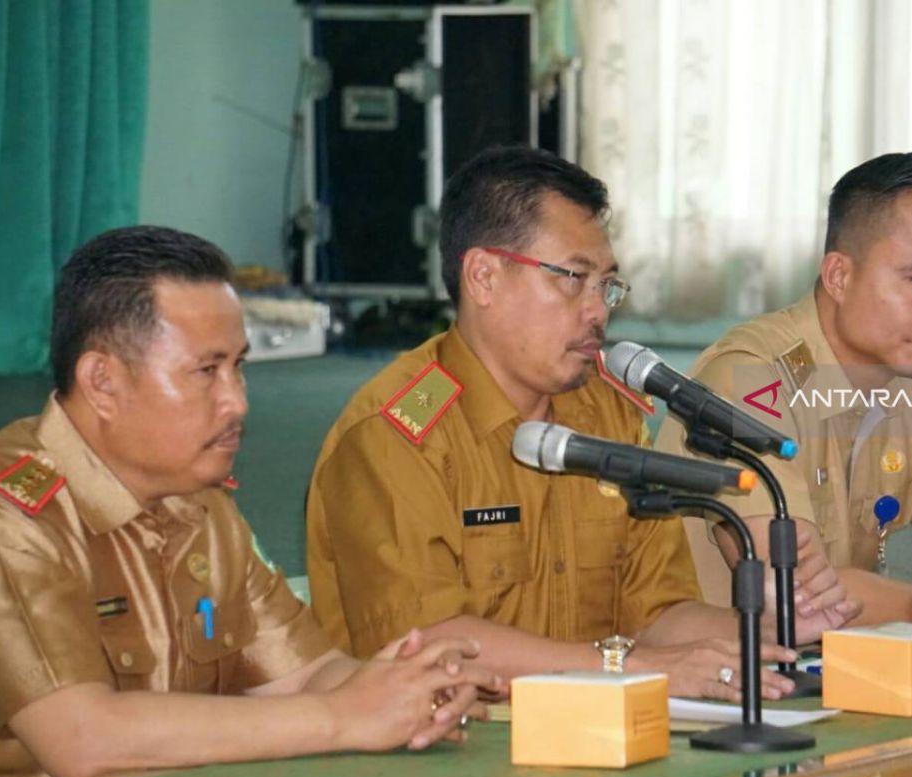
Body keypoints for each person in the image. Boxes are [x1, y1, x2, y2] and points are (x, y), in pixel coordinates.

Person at [0, 226, 500, 777]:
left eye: (238, 366)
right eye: (205, 371)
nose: (238, 400)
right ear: (102, 382)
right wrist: (345, 717)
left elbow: (305, 676)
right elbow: (83, 740)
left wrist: (401, 689)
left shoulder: (199, 502)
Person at [306, 146, 860, 705]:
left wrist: (766, 626)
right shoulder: (394, 435)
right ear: (483, 277)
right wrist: (625, 666)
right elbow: (427, 648)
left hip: (593, 734)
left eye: (607, 286)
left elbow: (657, 614)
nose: (598, 311)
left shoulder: (609, 414)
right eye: (573, 278)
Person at [655, 152, 912, 632]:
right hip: (701, 688)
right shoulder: (751, 382)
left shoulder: (909, 390)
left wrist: (895, 623)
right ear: (839, 276)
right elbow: (797, 603)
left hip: (823, 682)